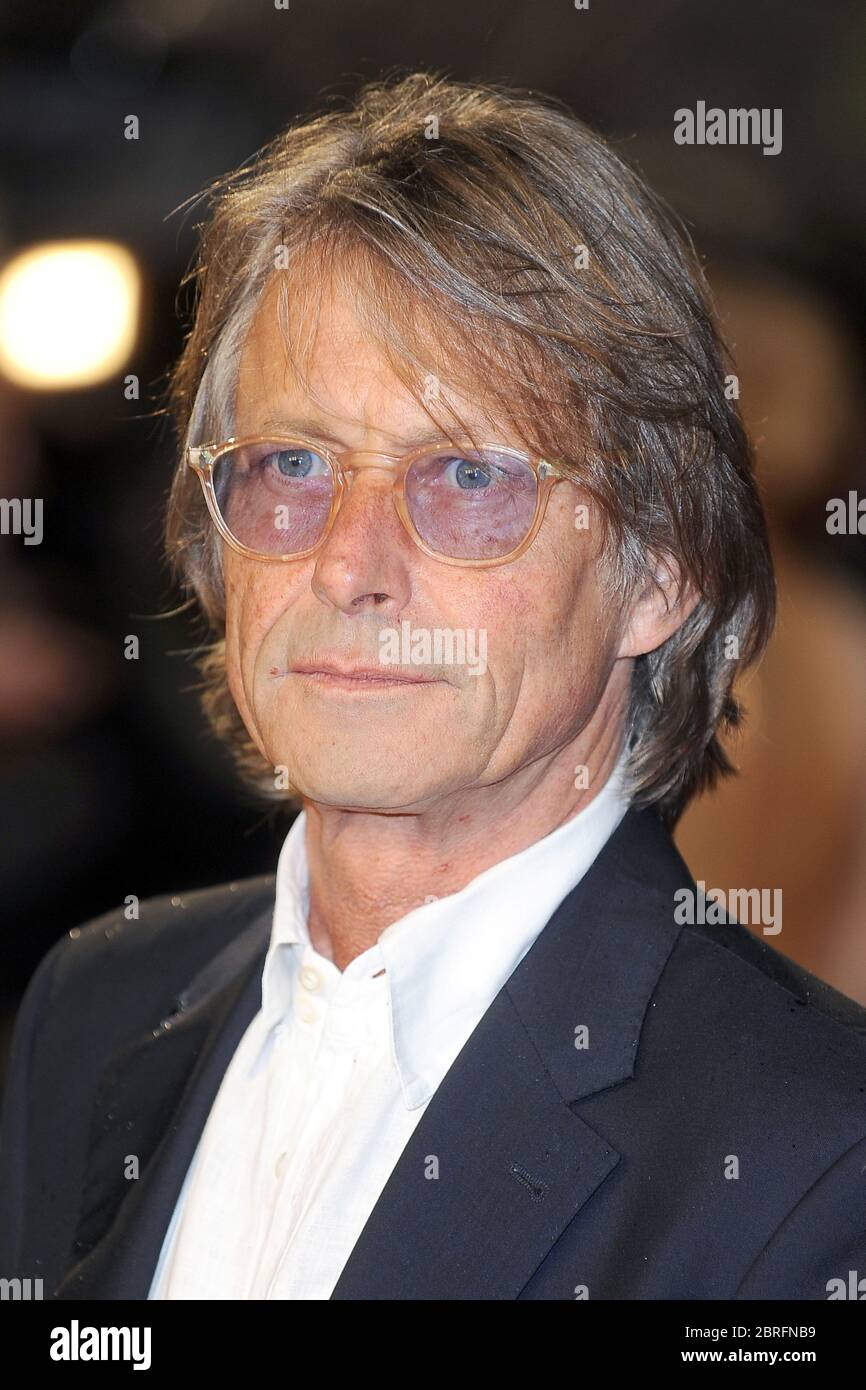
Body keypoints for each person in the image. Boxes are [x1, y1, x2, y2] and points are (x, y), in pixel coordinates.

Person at [2, 73, 864, 1301]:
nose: (348, 563)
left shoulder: (814, 1162)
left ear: (657, 575)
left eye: (468, 477)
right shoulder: (96, 1008)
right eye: (292, 462)